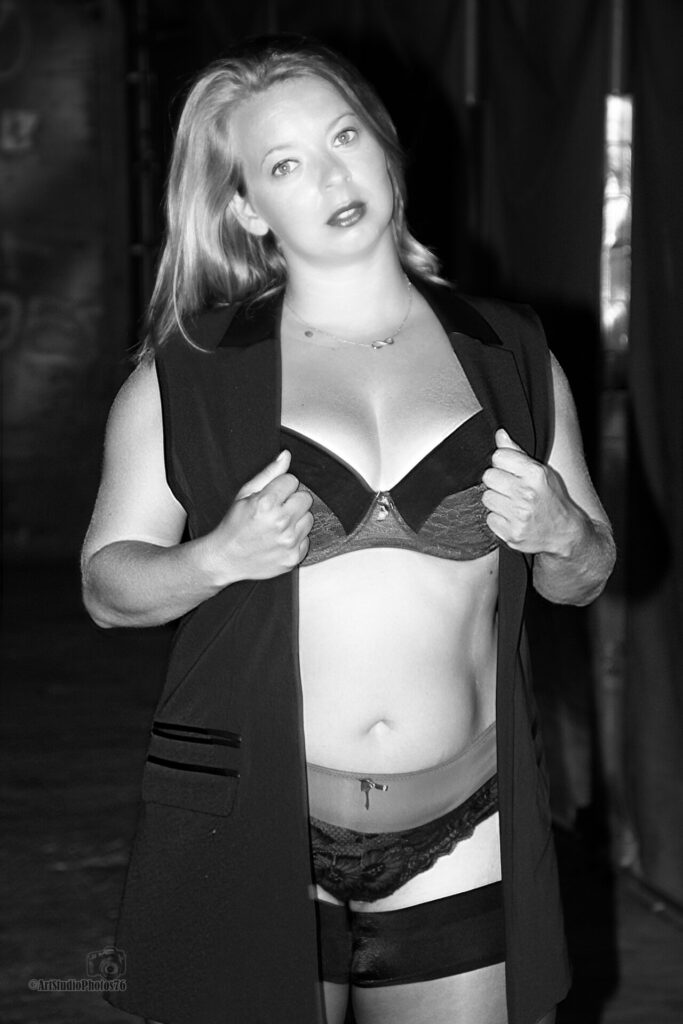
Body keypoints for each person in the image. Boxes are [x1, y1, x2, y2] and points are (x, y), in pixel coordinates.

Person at [81, 34, 615, 1024]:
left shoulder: (509, 352)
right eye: (285, 164)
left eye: (342, 136)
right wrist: (214, 557)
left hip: (466, 826)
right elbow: (107, 589)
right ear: (247, 206)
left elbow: (583, 575)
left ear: (382, 142)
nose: (330, 176)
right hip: (256, 818)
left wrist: (558, 533)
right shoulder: (187, 374)